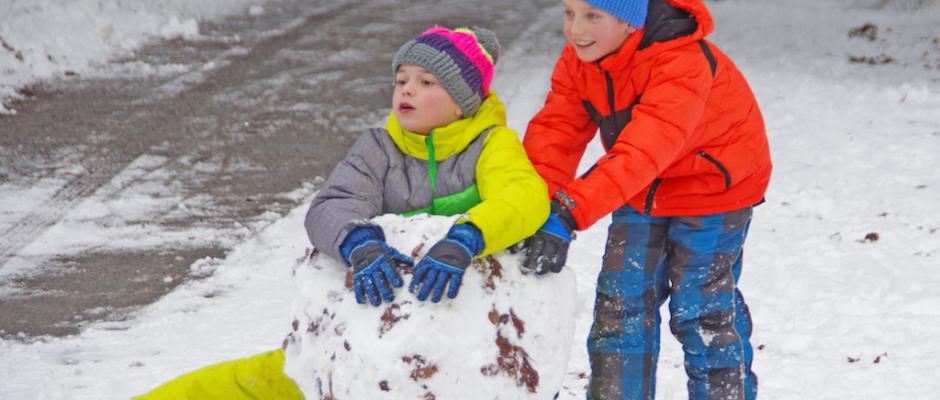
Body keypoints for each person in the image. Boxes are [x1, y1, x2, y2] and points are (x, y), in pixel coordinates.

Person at [135, 25, 549, 399]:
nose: (406, 90)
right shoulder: (378, 147)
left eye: (426, 82)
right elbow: (334, 203)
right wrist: (359, 243)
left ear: (462, 103)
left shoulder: (492, 146)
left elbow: (523, 196)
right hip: (366, 334)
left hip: (458, 337)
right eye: (401, 79)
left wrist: (467, 238)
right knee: (250, 385)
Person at [520, 0, 772, 399]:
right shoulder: (578, 61)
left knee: (700, 308)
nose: (575, 30)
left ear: (630, 21)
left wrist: (568, 212)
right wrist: (528, 208)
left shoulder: (680, 63)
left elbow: (644, 150)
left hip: (712, 188)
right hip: (640, 187)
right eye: (568, 13)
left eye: (592, 16)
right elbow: (556, 134)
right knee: (621, 305)